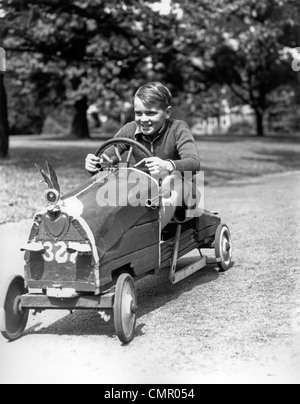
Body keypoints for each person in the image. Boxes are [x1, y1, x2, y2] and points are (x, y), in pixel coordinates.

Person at [85, 81, 201, 228]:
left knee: (171, 181)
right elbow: (108, 156)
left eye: (151, 113)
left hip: (183, 198)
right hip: (144, 195)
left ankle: (153, 231)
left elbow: (194, 163)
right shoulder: (130, 130)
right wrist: (95, 164)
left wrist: (167, 165)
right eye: (138, 113)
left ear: (167, 112)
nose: (143, 119)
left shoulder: (178, 128)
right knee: (115, 184)